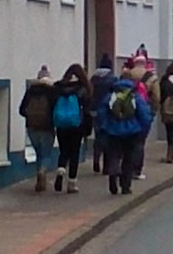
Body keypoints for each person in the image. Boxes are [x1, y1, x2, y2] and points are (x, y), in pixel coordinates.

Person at [98, 66, 153, 194]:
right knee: (128, 158)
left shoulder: (111, 95)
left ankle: (113, 171)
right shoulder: (135, 96)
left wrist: (104, 127)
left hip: (113, 131)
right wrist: (142, 130)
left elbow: (102, 113)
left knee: (114, 154)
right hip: (132, 132)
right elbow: (145, 115)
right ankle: (125, 186)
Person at [51, 63, 91, 193]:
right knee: (74, 153)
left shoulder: (58, 87)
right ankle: (71, 184)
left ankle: (60, 170)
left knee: (63, 151)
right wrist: (88, 127)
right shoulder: (83, 88)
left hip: (61, 124)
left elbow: (52, 104)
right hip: (76, 125)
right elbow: (87, 109)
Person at [18, 68, 58, 192]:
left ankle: (40, 181)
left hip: (32, 128)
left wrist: (31, 117)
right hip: (47, 128)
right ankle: (42, 171)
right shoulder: (52, 91)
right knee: (46, 154)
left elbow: (21, 110)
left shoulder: (31, 90)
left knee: (39, 154)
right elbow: (56, 110)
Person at [89, 54, 116, 174]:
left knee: (98, 136)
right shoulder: (113, 79)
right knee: (109, 139)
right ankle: (106, 167)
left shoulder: (93, 79)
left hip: (95, 111)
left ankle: (96, 158)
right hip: (108, 112)